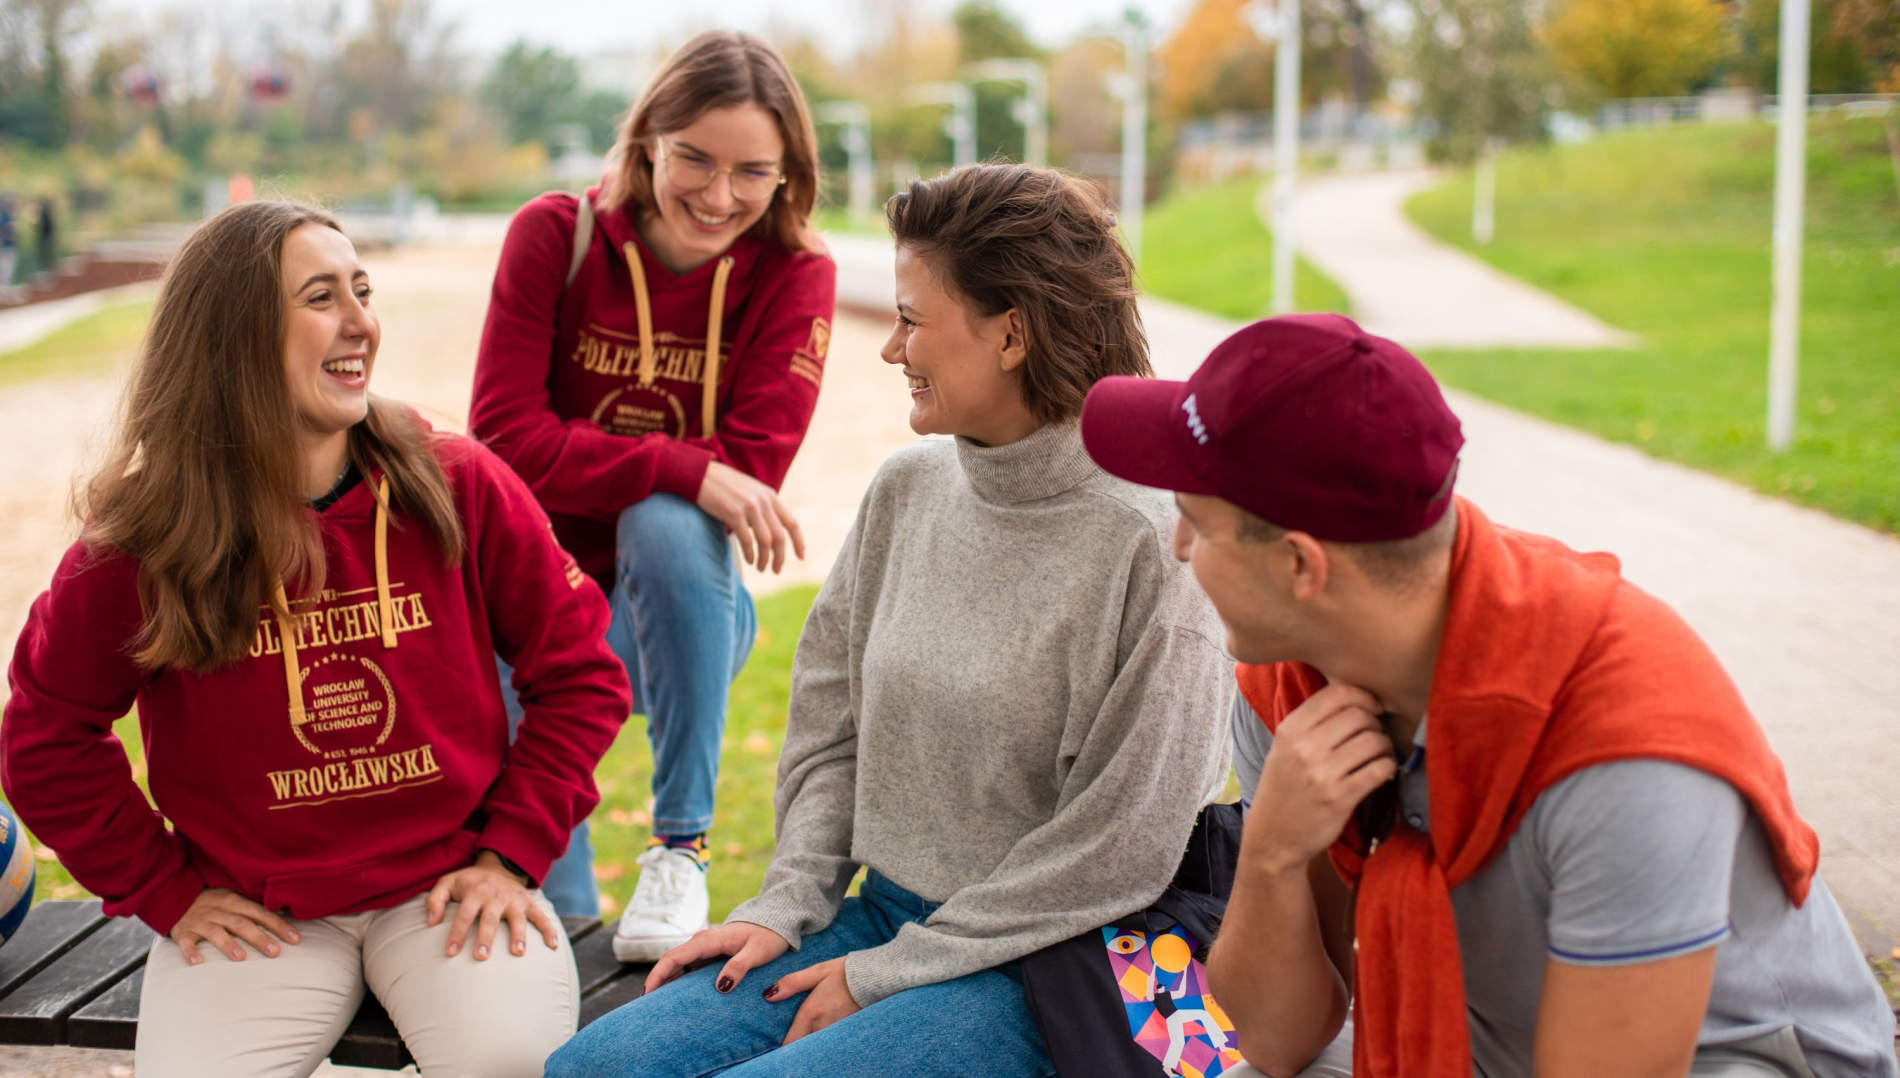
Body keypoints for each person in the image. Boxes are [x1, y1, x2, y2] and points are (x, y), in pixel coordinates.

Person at [544, 163, 1234, 1078]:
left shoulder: (1152, 542)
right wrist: (783, 902)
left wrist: (890, 975)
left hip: (1051, 960)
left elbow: (1120, 848)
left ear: (1013, 334)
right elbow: (830, 728)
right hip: (877, 912)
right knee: (590, 1071)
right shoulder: (907, 491)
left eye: (911, 321)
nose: (890, 348)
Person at [1076, 313, 1900, 1078]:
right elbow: (1281, 1038)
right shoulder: (1290, 683)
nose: (1178, 549)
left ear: (1302, 567)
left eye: (1194, 520)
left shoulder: (1626, 749)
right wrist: (1273, 854)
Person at [0, 200, 632, 1078]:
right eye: (322, 296)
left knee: (511, 1065)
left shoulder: (455, 482)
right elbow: (45, 731)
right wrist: (165, 890)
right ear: (237, 336)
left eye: (362, 291)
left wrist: (510, 852)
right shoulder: (147, 537)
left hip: (445, 893)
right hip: (264, 915)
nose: (362, 323)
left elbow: (582, 675)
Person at [470, 30, 836, 949]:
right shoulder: (555, 235)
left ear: (788, 173)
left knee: (669, 521)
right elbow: (504, 440)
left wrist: (675, 480)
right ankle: (557, 936)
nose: (719, 197)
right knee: (542, 919)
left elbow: (747, 469)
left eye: (752, 172)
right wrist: (684, 462)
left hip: (686, 613)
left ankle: (683, 847)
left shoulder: (796, 276)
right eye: (695, 161)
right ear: (647, 143)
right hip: (531, 612)